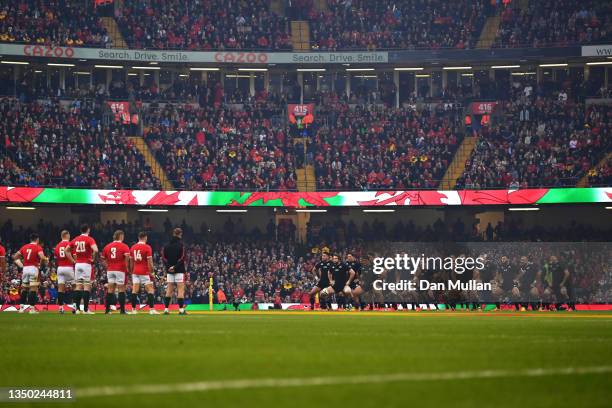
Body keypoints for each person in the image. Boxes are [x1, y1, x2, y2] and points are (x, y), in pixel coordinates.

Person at [13, 233, 48, 314]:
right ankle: (32, 309)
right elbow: (42, 257)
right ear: (37, 239)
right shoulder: (38, 247)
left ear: (30, 239)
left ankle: (21, 308)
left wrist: (21, 265)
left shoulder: (24, 247)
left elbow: (15, 257)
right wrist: (41, 263)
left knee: (24, 288)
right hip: (33, 268)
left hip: (25, 269)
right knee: (33, 288)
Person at [101, 230, 131, 314]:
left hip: (110, 270)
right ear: (120, 236)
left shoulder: (107, 246)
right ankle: (122, 310)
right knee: (121, 289)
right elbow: (127, 258)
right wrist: (127, 268)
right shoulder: (124, 246)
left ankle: (107, 310)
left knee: (110, 289)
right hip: (120, 270)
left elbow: (102, 259)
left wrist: (107, 266)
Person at [130, 232, 159, 315]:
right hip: (144, 271)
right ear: (145, 238)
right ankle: (152, 309)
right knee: (150, 290)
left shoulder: (133, 247)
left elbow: (131, 262)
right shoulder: (147, 247)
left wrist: (132, 271)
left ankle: (133, 310)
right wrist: (152, 272)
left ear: (138, 238)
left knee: (134, 290)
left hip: (135, 271)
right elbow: (150, 262)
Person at [162, 228, 187, 315]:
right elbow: (182, 258)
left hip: (169, 271)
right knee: (180, 290)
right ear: (180, 234)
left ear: (173, 234)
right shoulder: (181, 245)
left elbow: (164, 258)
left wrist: (169, 267)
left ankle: (166, 309)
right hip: (179, 270)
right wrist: (175, 267)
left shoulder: (166, 245)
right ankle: (181, 310)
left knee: (169, 290)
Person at [54, 230, 76, 314]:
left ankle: (60, 308)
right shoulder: (70, 244)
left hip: (60, 268)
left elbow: (56, 259)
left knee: (60, 289)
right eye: (69, 234)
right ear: (67, 235)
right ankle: (74, 307)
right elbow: (74, 256)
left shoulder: (57, 246)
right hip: (69, 267)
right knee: (75, 286)